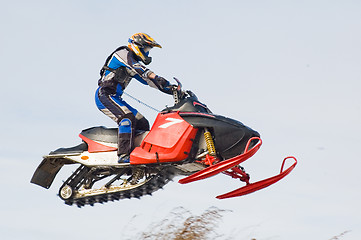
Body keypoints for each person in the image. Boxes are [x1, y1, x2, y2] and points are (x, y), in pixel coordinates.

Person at [95, 33, 173, 163]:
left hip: (116, 97)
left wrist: (171, 89)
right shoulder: (122, 53)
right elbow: (137, 67)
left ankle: (140, 155)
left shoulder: (132, 65)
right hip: (105, 95)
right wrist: (155, 76)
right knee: (127, 118)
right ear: (138, 46)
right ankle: (123, 155)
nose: (147, 53)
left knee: (142, 123)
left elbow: (147, 80)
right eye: (146, 49)